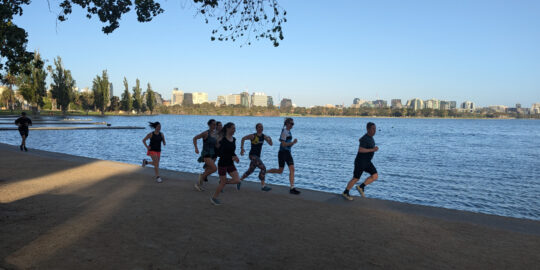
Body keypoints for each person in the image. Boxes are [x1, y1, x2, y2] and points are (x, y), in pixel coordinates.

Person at [342, 122, 379, 200]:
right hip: (360, 162)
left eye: (375, 129)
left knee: (375, 176)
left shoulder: (369, 138)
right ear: (368, 129)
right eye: (373, 129)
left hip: (367, 162)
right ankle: (345, 192)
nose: (374, 130)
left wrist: (372, 148)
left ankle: (361, 187)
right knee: (356, 178)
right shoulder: (365, 138)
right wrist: (373, 149)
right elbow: (360, 150)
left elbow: (362, 141)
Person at [267, 118, 300, 195]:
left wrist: (291, 143)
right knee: (291, 169)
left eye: (293, 124)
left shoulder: (287, 131)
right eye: (292, 124)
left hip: (285, 152)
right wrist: (293, 142)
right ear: (287, 124)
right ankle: (292, 188)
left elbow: (284, 142)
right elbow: (283, 144)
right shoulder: (285, 132)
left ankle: (265, 172)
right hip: (284, 152)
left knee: (280, 171)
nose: (292, 125)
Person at [211, 122, 241, 205]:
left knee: (237, 180)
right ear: (228, 129)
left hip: (230, 163)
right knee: (223, 183)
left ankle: (222, 182)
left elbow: (232, 151)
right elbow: (217, 151)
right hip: (223, 163)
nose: (234, 130)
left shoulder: (234, 139)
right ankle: (214, 198)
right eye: (233, 128)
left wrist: (235, 157)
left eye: (235, 128)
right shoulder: (222, 140)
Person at [238, 123, 273, 191]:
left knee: (250, 171)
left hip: (257, 156)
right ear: (256, 128)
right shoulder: (253, 136)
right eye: (259, 127)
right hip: (252, 155)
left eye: (262, 127)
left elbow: (271, 144)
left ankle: (239, 181)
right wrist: (242, 148)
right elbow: (243, 138)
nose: (261, 128)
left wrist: (270, 139)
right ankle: (263, 186)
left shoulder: (263, 136)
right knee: (263, 168)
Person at [193, 119, 218, 191]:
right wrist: (196, 148)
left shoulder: (216, 134)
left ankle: (200, 182)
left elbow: (216, 145)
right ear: (209, 125)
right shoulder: (206, 133)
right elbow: (195, 138)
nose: (214, 126)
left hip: (213, 154)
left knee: (208, 169)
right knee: (214, 168)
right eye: (213, 124)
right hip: (206, 154)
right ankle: (199, 181)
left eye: (215, 124)